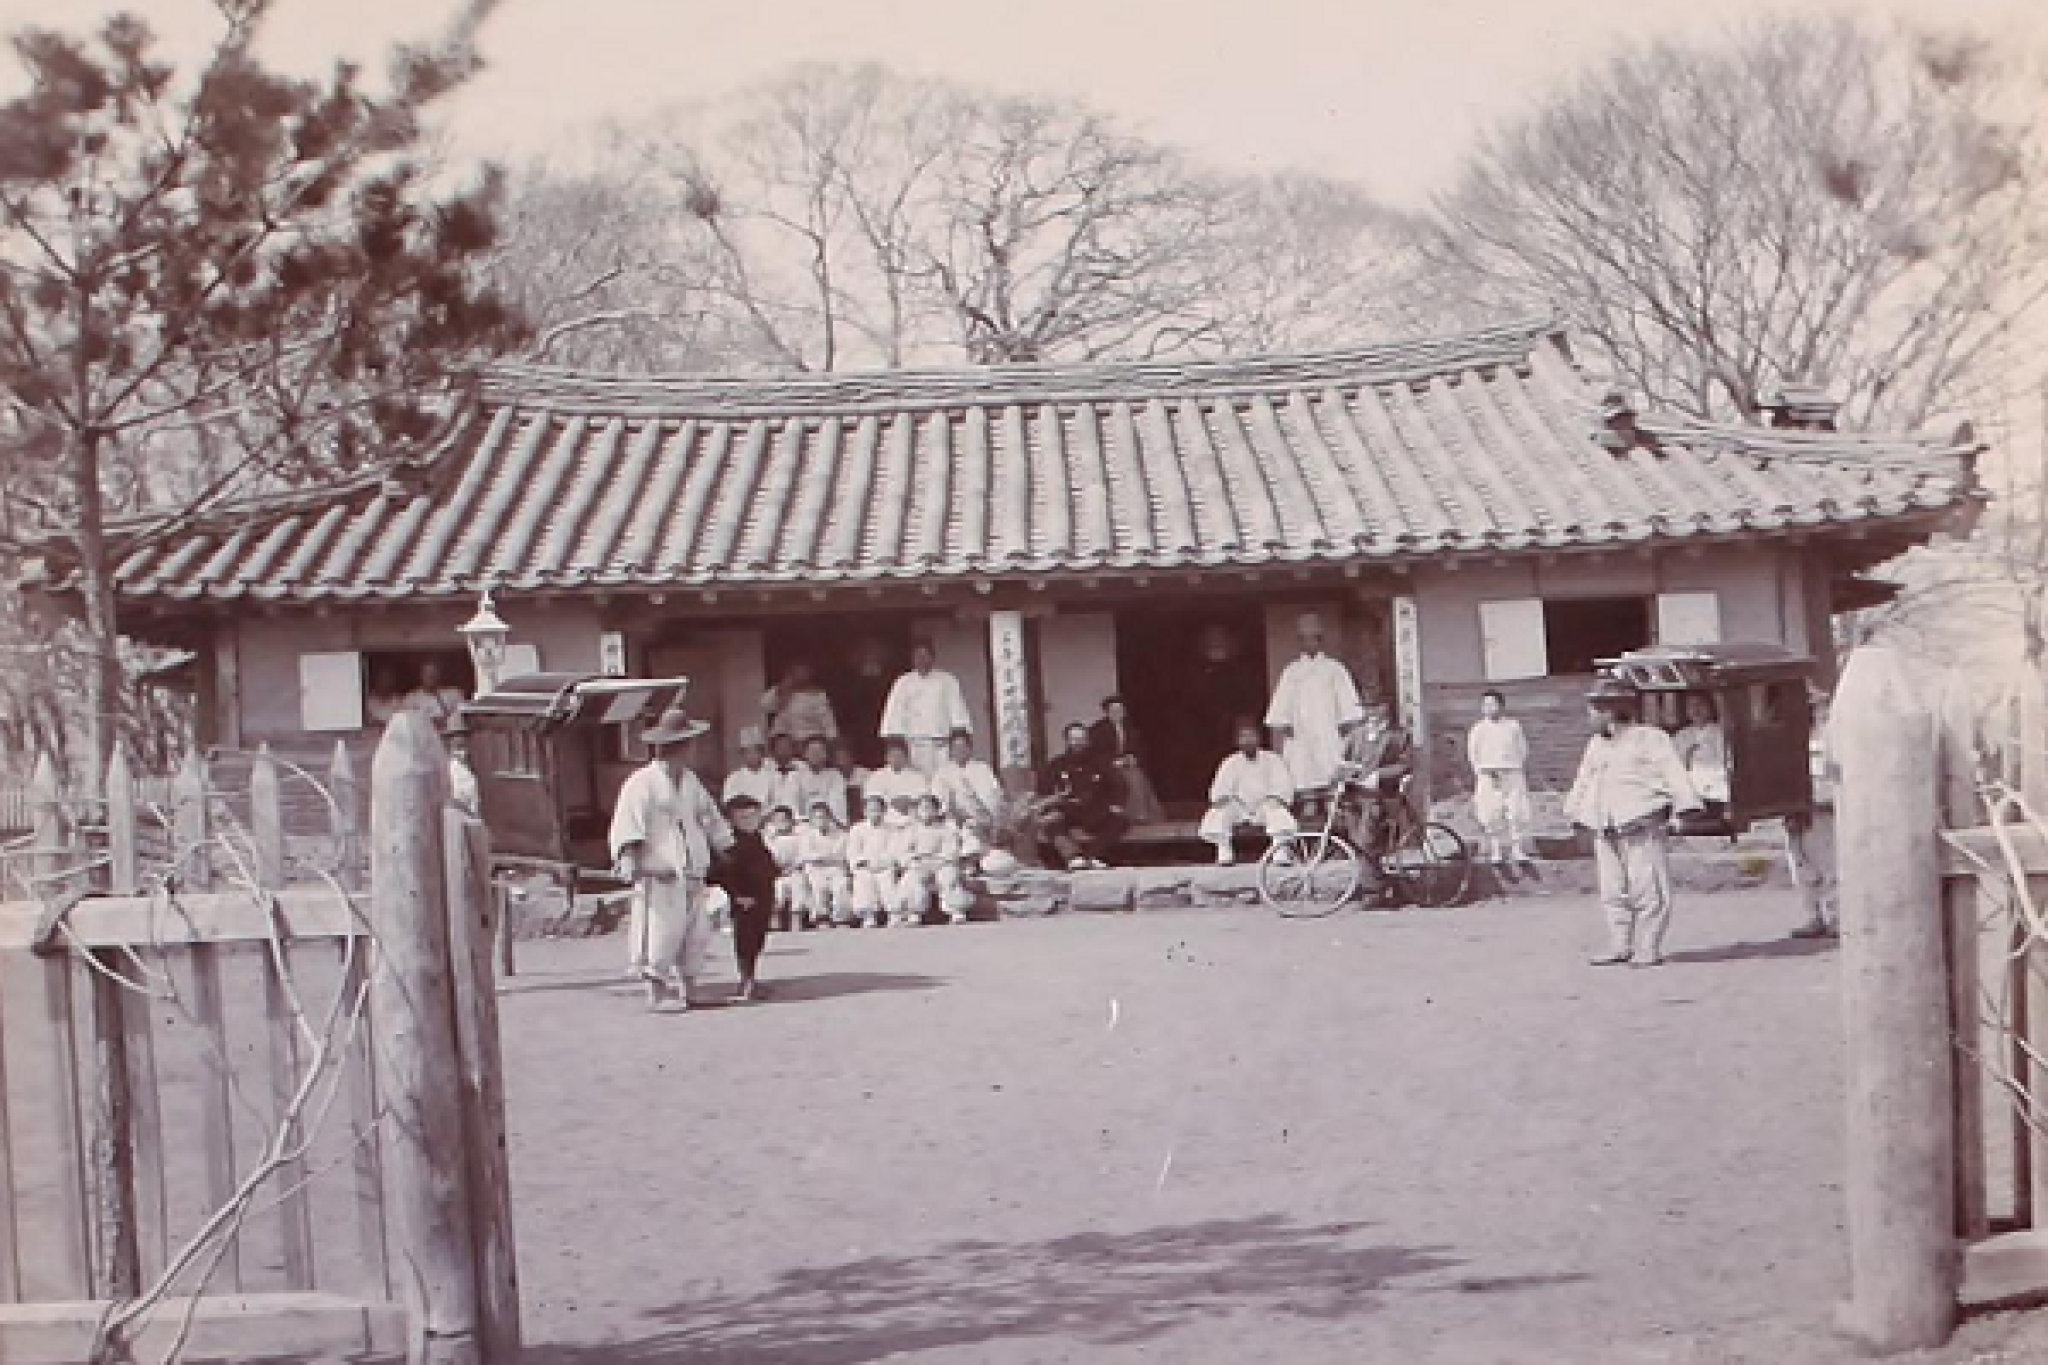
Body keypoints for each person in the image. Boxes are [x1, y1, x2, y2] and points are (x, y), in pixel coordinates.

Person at [1563, 676, 1704, 969]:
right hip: (1605, 825)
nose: (1590, 716)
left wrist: (1683, 809)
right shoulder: (1596, 745)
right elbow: (1583, 781)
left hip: (1642, 823)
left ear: (1612, 710)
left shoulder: (1650, 738)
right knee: (1612, 890)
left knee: (1649, 888)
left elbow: (1674, 774)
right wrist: (1574, 813)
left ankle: (1649, 946)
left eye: (1595, 709)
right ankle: (1620, 944)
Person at [608, 704, 733, 1011]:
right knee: (661, 931)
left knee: (695, 931)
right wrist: (632, 858)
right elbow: (628, 823)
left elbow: (709, 815)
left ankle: (690, 988)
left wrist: (725, 844)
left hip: (692, 866)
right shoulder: (642, 783)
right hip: (659, 868)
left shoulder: (690, 781)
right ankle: (656, 993)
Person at [1264, 613, 1366, 798]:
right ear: (1300, 642)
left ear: (1320, 641)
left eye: (1313, 639)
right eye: (1304, 639)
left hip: (1328, 727)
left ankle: (1332, 803)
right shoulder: (1292, 671)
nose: (1309, 643)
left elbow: (1348, 700)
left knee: (1331, 764)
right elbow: (1281, 703)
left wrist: (1346, 722)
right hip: (1301, 730)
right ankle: (1308, 802)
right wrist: (1284, 723)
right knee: (1302, 768)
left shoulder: (1334, 669)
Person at [1199, 721, 1298, 865]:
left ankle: (1279, 851)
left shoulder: (1272, 759)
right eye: (1243, 737)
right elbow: (1220, 789)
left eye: (1251, 736)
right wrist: (1223, 798)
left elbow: (1282, 784)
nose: (1248, 740)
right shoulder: (1230, 762)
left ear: (1258, 738)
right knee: (1220, 811)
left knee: (1277, 811)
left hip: (1265, 805)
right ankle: (1224, 850)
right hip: (1240, 807)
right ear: (1237, 741)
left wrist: (1276, 798)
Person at [710, 796, 778, 1003]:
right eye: (742, 817)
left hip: (764, 894)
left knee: (758, 938)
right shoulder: (730, 842)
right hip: (744, 898)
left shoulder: (757, 838)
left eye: (753, 815)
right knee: (746, 940)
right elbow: (724, 872)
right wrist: (737, 895)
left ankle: (752, 978)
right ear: (731, 819)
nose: (749, 820)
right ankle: (746, 980)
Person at [1033, 722, 1128, 870]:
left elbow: (1120, 785)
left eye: (1082, 739)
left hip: (1096, 809)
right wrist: (1051, 803)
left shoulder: (1101, 762)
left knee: (1120, 821)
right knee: (1051, 823)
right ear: (1067, 741)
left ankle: (1093, 856)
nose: (1078, 743)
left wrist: (1116, 804)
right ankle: (1073, 857)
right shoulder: (1056, 764)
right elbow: (1044, 790)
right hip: (1067, 809)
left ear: (1087, 740)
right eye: (1074, 739)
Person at [879, 638, 973, 775]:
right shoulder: (903, 682)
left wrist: (959, 739)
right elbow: (894, 714)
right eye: (918, 656)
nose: (922, 659)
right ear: (912, 658)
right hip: (914, 745)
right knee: (917, 783)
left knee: (943, 781)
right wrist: (896, 743)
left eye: (925, 655)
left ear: (933, 657)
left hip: (941, 745)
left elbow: (957, 712)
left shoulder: (947, 680)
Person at [1339, 701, 1414, 866]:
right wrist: (1341, 778)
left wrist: (1378, 775)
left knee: (1368, 841)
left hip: (1382, 795)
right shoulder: (1356, 734)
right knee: (1355, 842)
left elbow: (1405, 765)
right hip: (1354, 796)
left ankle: (1373, 886)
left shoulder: (1399, 736)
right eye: (1366, 708)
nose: (1371, 713)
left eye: (1375, 707)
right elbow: (1343, 763)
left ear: (1385, 708)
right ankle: (1371, 881)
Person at [1467, 689, 1533, 863]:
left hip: (1511, 773)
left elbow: (1522, 750)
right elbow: (1473, 754)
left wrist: (1512, 768)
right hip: (1488, 775)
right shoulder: (1478, 729)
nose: (1489, 708)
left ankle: (1517, 849)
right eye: (1485, 705)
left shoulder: (1513, 726)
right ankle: (1495, 850)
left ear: (1501, 706)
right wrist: (1484, 772)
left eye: (1493, 704)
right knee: (1490, 814)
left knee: (1516, 812)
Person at [895, 793, 972, 926]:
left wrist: (941, 861)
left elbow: (952, 850)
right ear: (917, 811)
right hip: (920, 863)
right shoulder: (912, 830)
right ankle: (914, 913)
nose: (926, 812)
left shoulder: (946, 829)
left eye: (929, 808)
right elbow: (904, 851)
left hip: (941, 863)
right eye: (922, 808)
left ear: (937, 810)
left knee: (949, 876)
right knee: (912, 878)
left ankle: (956, 911)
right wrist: (913, 861)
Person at [1090, 695, 1165, 825]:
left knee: (1137, 774)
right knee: (1129, 777)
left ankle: (1143, 813)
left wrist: (1133, 758)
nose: (1118, 713)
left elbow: (1140, 748)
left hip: (1127, 763)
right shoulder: (1098, 729)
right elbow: (1096, 753)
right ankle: (1135, 814)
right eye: (1114, 710)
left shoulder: (1130, 727)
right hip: (1106, 765)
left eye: (1120, 709)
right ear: (1107, 712)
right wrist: (1114, 762)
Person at [931, 732, 1007, 854]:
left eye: (963, 747)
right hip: (952, 821)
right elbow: (937, 801)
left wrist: (988, 821)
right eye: (955, 748)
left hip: (979, 821)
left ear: (970, 749)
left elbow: (994, 800)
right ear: (950, 750)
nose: (959, 751)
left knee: (975, 842)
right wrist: (951, 811)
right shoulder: (942, 772)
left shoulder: (983, 769)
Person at [845, 794, 903, 927]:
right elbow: (853, 851)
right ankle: (868, 916)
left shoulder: (892, 829)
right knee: (863, 879)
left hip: (885, 866)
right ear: (865, 812)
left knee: (888, 879)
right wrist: (864, 863)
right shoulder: (857, 829)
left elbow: (894, 849)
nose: (875, 814)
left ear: (884, 811)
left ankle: (894, 914)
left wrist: (884, 863)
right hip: (865, 866)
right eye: (871, 810)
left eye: (878, 810)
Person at [797, 800, 853, 927]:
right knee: (819, 886)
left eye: (823, 817)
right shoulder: (806, 835)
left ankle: (841, 918)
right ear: (811, 819)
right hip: (815, 869)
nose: (821, 820)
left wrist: (824, 858)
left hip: (836, 868)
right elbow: (807, 855)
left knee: (841, 885)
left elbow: (841, 854)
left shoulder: (841, 834)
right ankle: (822, 917)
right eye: (817, 817)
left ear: (829, 817)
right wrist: (823, 857)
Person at [1673, 694, 1732, 809]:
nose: (1696, 709)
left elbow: (1729, 765)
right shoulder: (1681, 735)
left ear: (1710, 707)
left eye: (1700, 704)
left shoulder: (1722, 733)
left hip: (1717, 796)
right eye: (1691, 706)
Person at [762, 662, 839, 746]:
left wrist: (832, 740)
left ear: (810, 674)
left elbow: (828, 722)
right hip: (785, 742)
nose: (800, 675)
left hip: (809, 743)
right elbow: (766, 706)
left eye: (804, 671)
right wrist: (782, 689)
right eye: (796, 672)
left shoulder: (817, 695)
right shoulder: (782, 691)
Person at [790, 735, 849, 828]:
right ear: (805, 754)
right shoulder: (794, 776)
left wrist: (823, 821)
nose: (815, 754)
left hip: (829, 824)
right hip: (802, 824)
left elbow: (837, 805)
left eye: (820, 751)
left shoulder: (835, 776)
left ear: (826, 754)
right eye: (812, 751)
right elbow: (792, 804)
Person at [864, 738, 930, 821]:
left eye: (900, 755)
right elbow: (871, 800)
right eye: (893, 755)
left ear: (907, 757)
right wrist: (892, 802)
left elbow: (924, 799)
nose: (896, 759)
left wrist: (910, 802)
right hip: (885, 821)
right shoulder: (876, 776)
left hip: (911, 820)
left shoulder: (918, 777)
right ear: (886, 757)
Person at [764, 804, 806, 932]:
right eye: (777, 820)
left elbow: (803, 856)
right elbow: (766, 858)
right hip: (775, 873)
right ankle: (774, 919)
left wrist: (793, 868)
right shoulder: (768, 839)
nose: (781, 823)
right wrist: (776, 870)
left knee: (798, 883)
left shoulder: (799, 838)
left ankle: (796, 918)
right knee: (775, 886)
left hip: (794, 871)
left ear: (791, 821)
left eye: (784, 819)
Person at [722, 727, 782, 809]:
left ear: (762, 753)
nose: (752, 756)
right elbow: (728, 803)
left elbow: (779, 801)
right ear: (742, 755)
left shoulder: (774, 775)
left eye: (755, 751)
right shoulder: (734, 778)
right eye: (748, 752)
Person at [402, 662, 467, 726]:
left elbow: (463, 717)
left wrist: (448, 718)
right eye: (427, 673)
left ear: (439, 675)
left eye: (433, 673)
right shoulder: (411, 698)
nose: (430, 677)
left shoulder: (454, 693)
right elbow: (408, 723)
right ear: (421, 676)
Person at [444, 714, 481, 820]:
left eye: (465, 745)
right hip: (460, 820)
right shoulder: (450, 770)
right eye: (458, 746)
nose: (464, 752)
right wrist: (469, 813)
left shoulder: (473, 766)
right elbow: (453, 801)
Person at [830, 738, 872, 814]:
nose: (841, 761)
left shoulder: (865, 774)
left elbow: (871, 799)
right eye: (838, 758)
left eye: (844, 756)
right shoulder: (831, 775)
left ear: (852, 757)